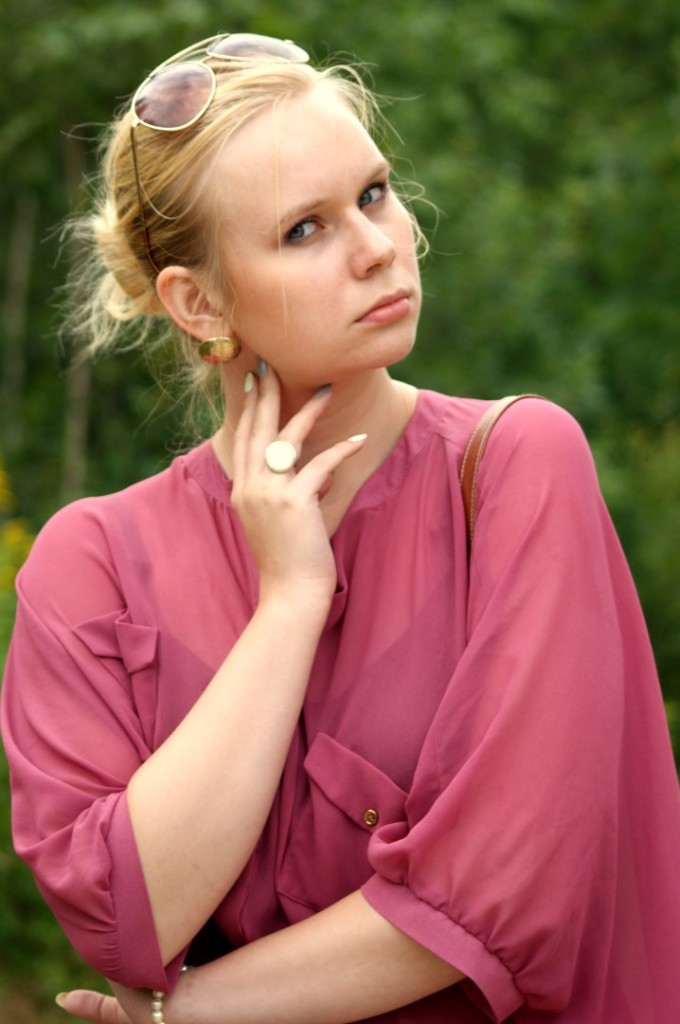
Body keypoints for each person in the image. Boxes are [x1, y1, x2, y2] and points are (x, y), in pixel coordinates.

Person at [1, 31, 679, 1024]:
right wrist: (289, 600)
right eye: (304, 230)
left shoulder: (513, 467)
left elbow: (492, 898)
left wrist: (182, 1015)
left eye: (372, 194)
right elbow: (128, 922)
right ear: (197, 303)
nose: (378, 245)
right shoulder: (89, 564)